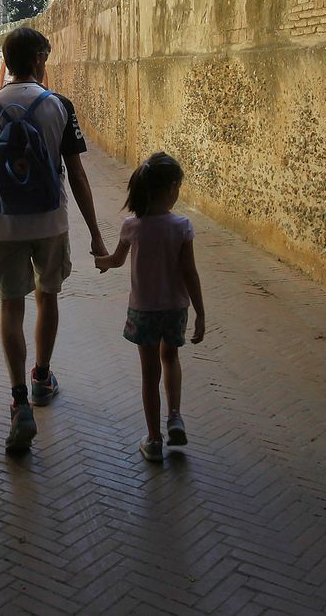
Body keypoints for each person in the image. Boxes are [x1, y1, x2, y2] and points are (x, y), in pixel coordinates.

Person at [0, 27, 108, 454]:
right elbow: (77, 174)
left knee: (11, 306)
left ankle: (18, 402)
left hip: (7, 225)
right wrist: (97, 235)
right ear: (41, 60)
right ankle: (42, 377)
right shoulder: (58, 106)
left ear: (6, 62)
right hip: (51, 222)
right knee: (48, 297)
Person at [95, 153, 206, 462]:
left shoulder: (132, 226)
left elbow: (115, 261)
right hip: (175, 308)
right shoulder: (182, 226)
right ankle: (175, 416)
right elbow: (190, 272)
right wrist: (200, 313)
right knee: (170, 357)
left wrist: (99, 260)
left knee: (148, 373)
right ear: (171, 187)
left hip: (143, 309)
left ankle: (154, 439)